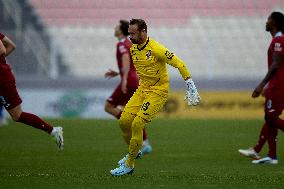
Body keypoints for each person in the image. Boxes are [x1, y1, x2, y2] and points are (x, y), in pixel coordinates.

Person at [110, 18, 201, 176]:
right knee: (124, 122)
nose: (130, 37)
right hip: (142, 89)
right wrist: (118, 73)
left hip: (158, 91)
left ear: (143, 32)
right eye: (129, 34)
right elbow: (133, 67)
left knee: (137, 123)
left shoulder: (156, 48)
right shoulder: (133, 47)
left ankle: (129, 163)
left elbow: (179, 63)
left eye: (133, 34)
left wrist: (190, 83)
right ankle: (134, 150)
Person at [0, 32, 64, 150]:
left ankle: (53, 130)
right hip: (4, 75)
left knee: (17, 115)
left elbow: (2, 50)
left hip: (2, 79)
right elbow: (11, 46)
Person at [238, 11, 284, 164]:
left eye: (269, 19)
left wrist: (261, 84)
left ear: (275, 22)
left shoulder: (279, 40)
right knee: (269, 118)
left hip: (279, 85)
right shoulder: (278, 40)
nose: (266, 21)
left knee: (271, 118)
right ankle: (270, 156)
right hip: (276, 84)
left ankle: (264, 153)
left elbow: (276, 65)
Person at [104, 20, 152, 154]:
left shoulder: (121, 44)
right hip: (134, 80)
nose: (114, 28)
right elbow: (132, 64)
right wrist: (118, 73)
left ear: (121, 30)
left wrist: (124, 79)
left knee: (108, 106)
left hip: (129, 81)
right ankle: (145, 142)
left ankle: (134, 137)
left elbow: (126, 58)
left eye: (116, 27)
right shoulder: (129, 43)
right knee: (133, 112)